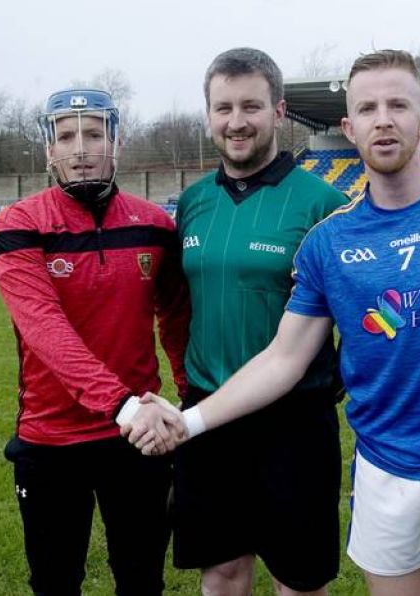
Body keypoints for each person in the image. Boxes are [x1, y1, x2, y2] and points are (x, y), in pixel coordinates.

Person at [124, 49, 420, 596]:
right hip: (381, 473)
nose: (384, 119)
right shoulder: (328, 240)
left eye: (398, 104)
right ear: (349, 128)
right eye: (368, 108)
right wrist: (187, 423)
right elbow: (283, 358)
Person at [163, 48, 349, 596]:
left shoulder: (324, 204)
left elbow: (359, 316)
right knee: (221, 570)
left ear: (279, 111)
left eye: (251, 106)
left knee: (298, 579)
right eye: (223, 108)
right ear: (208, 116)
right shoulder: (194, 202)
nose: (236, 121)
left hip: (294, 424)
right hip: (208, 415)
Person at [0, 88, 190, 596]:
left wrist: (192, 397)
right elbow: (44, 328)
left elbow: (176, 319)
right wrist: (121, 405)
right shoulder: (19, 223)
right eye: (67, 136)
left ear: (116, 143)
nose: (81, 148)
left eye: (94, 133)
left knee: (142, 579)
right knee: (56, 582)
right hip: (53, 438)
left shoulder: (155, 224)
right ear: (49, 150)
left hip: (138, 437)